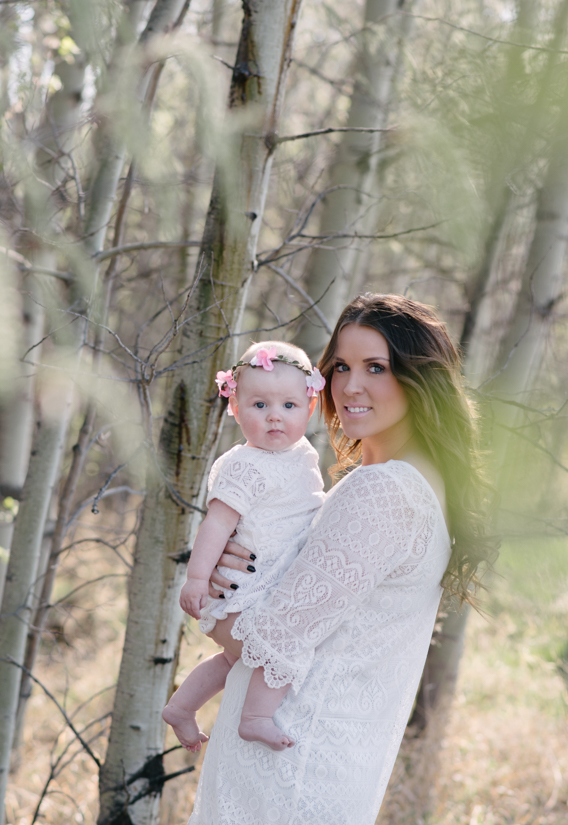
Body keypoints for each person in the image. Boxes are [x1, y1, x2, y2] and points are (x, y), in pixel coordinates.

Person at [187, 294, 495, 825]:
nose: (351, 386)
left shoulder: (383, 492)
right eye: (341, 367)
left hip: (289, 771)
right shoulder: (410, 485)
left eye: (377, 367)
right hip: (307, 762)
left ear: (421, 381)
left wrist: (212, 594)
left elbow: (267, 644)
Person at [162, 341, 327, 753]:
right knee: (281, 651)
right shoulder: (245, 466)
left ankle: (180, 708)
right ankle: (253, 718)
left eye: (289, 405)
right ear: (234, 408)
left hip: (260, 593)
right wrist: (197, 578)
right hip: (239, 599)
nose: (275, 415)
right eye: (259, 405)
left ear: (309, 409)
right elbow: (216, 525)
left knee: (232, 662)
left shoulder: (302, 454)